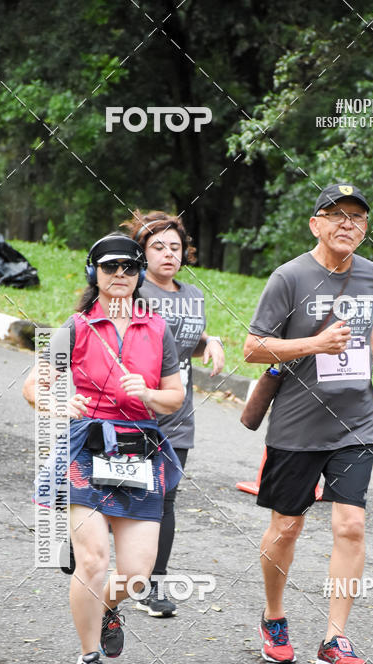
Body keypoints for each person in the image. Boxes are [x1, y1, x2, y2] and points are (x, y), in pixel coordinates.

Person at [243, 184, 373, 664]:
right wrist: (313, 344)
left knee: (351, 525)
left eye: (357, 217)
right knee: (287, 526)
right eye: (335, 215)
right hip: (296, 425)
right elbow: (253, 348)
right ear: (315, 224)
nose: (347, 224)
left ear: (366, 228)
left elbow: (367, 322)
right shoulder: (289, 278)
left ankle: (335, 639)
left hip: (355, 421)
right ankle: (273, 617)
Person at [22, 233, 184, 664]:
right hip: (86, 447)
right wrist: (57, 403)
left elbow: (174, 398)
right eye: (110, 267)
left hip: (139, 449)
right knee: (92, 560)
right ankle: (89, 658)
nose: (120, 275)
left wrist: (148, 394)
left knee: (135, 577)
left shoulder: (156, 329)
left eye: (129, 268)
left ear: (139, 275)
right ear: (94, 272)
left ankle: (108, 608)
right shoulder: (74, 327)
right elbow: (35, 385)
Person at [121, 211, 225, 617]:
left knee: (166, 498)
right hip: (132, 411)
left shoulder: (191, 296)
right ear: (143, 253)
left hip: (177, 415)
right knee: (124, 496)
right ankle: (110, 568)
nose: (168, 254)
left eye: (176, 247)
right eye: (158, 246)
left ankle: (153, 584)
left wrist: (209, 341)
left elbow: (180, 344)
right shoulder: (133, 288)